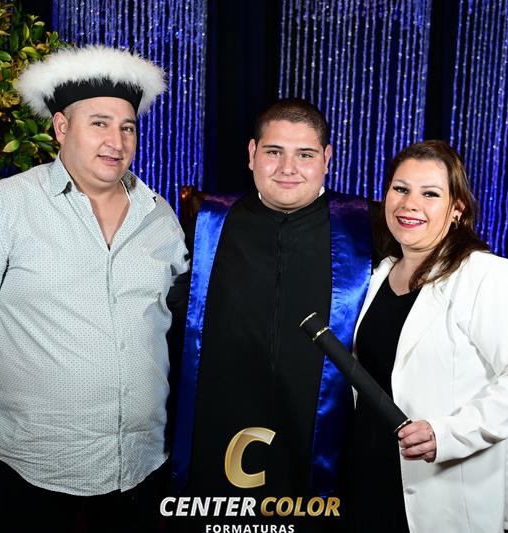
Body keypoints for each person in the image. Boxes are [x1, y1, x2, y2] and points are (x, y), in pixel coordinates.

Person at [0, 45, 188, 532]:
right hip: (30, 471)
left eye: (127, 127)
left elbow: (186, 317)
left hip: (142, 466)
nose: (116, 141)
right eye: (99, 123)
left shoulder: (160, 215)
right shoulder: (0, 206)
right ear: (61, 127)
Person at [167, 98, 376, 531]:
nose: (287, 168)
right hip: (221, 426)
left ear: (327, 159)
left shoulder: (366, 228)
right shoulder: (209, 223)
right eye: (274, 151)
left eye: (305, 155)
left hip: (321, 431)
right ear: (251, 154)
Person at [343, 140, 508, 532]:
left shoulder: (489, 276)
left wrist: (449, 434)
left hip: (445, 481)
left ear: (456, 209)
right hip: (370, 467)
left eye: (430, 194)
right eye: (400, 189)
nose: (410, 204)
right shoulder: (377, 274)